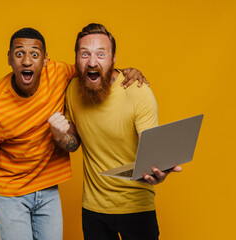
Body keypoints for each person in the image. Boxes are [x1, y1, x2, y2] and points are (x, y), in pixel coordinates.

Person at [0, 27, 148, 240]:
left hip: (47, 189)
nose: (27, 61)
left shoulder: (58, 73)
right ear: (9, 58)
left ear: (45, 59)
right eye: (19, 54)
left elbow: (92, 71)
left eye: (34, 54)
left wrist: (125, 72)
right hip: (11, 193)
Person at [48, 23, 182, 240]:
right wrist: (57, 135)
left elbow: (153, 154)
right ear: (76, 58)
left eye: (101, 54)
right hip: (93, 211)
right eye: (85, 54)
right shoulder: (72, 89)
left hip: (137, 209)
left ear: (113, 59)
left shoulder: (137, 92)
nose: (92, 61)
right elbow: (73, 143)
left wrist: (160, 172)